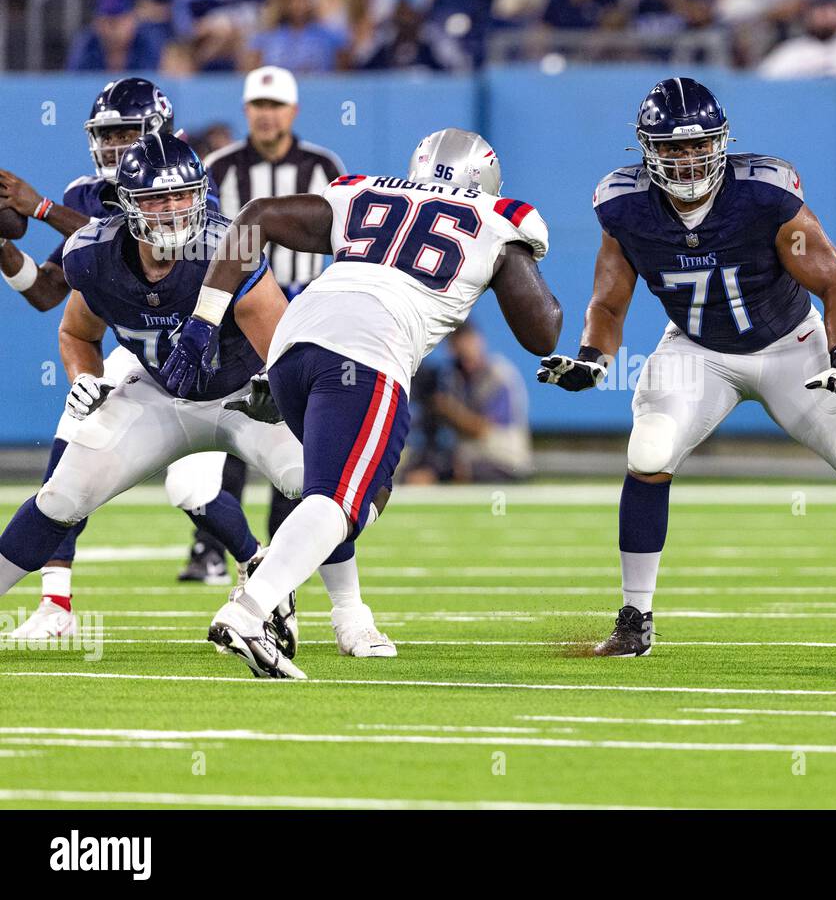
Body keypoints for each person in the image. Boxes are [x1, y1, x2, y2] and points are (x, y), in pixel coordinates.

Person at [538, 77, 836, 658]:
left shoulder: (764, 195)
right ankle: (634, 620)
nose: (688, 159)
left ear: (722, 143)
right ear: (647, 150)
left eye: (699, 146)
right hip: (697, 349)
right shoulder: (625, 207)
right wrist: (593, 358)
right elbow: (609, 301)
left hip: (791, 345)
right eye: (672, 147)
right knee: (648, 452)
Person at [159, 128, 563, 678]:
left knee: (360, 488)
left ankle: (351, 617)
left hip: (293, 344)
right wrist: (518, 257)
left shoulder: (366, 191)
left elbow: (253, 218)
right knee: (339, 500)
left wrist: (206, 318)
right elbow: (542, 334)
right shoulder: (498, 220)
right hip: (368, 350)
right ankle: (251, 609)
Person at [0, 78, 237, 641]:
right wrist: (5, 249)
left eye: (127, 132)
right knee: (70, 451)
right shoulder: (87, 191)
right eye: (106, 135)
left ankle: (264, 568)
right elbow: (49, 291)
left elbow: (135, 241)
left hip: (210, 360)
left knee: (197, 489)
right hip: (137, 356)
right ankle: (55, 602)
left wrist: (39, 207)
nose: (113, 146)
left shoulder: (183, 186)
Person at [181, 66, 345, 584]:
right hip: (237, 313)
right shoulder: (220, 166)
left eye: (275, 105)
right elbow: (199, 237)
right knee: (227, 427)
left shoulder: (323, 166)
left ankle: (282, 552)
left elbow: (343, 240)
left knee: (292, 429)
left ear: (292, 112)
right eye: (257, 104)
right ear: (246, 109)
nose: (266, 114)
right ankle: (211, 547)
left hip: (305, 312)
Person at [407, 323, 534, 483]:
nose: (464, 350)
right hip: (467, 457)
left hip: (503, 459)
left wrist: (446, 408)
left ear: (479, 341)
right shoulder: (452, 376)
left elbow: (482, 429)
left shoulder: (499, 375)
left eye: (468, 342)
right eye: (457, 345)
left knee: (436, 474)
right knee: (420, 467)